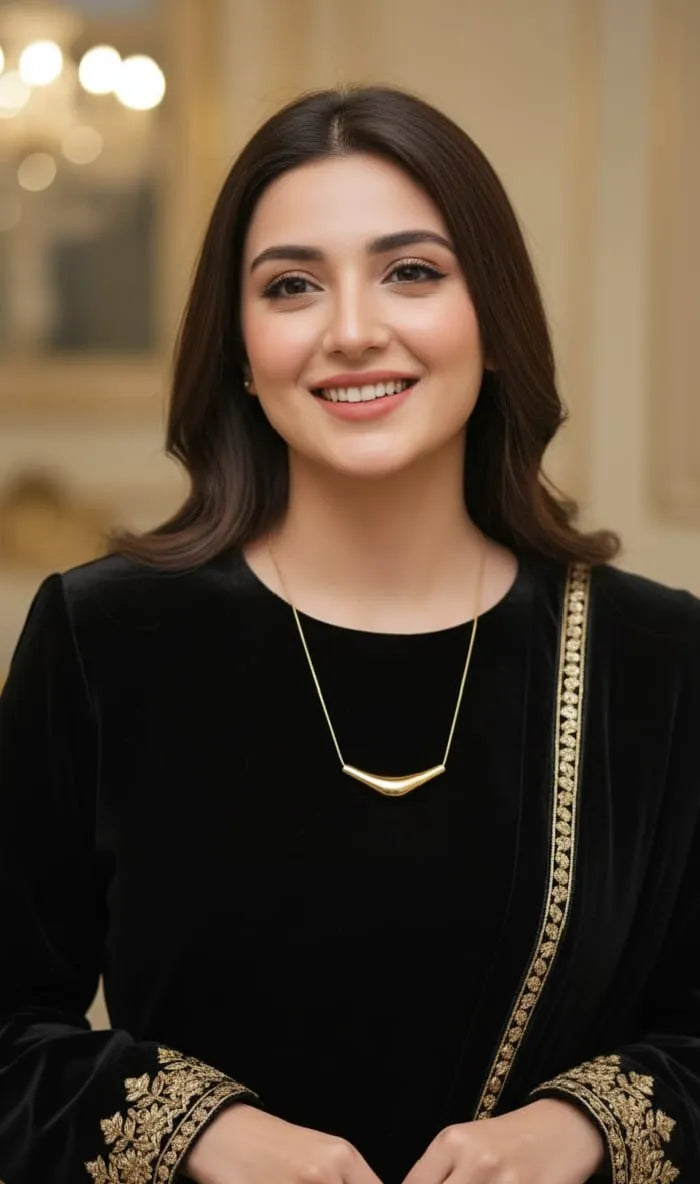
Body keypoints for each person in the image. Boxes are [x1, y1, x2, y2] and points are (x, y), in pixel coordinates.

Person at [0, 83, 698, 1184]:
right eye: (291, 286)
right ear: (237, 343)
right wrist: (202, 1133)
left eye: (411, 271)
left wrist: (579, 1125)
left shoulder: (654, 658)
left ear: (495, 319)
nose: (353, 329)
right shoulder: (105, 636)